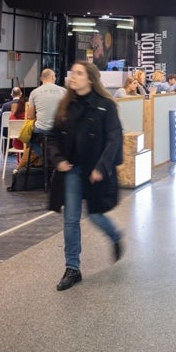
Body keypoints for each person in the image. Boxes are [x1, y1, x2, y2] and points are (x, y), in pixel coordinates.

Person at [47, 60, 124, 292]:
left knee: (95, 215)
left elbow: (114, 139)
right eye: (72, 73)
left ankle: (114, 234)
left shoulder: (105, 106)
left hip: (95, 172)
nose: (73, 77)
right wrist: (58, 159)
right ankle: (72, 268)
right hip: (72, 170)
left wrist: (102, 166)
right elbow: (52, 138)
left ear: (90, 78)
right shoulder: (65, 105)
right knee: (70, 219)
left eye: (79, 73)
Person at [29, 68, 67, 161]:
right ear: (53, 77)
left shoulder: (34, 93)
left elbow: (30, 116)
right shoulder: (63, 91)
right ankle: (54, 156)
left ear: (41, 79)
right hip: (58, 129)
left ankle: (44, 155)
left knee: (29, 140)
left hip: (41, 129)